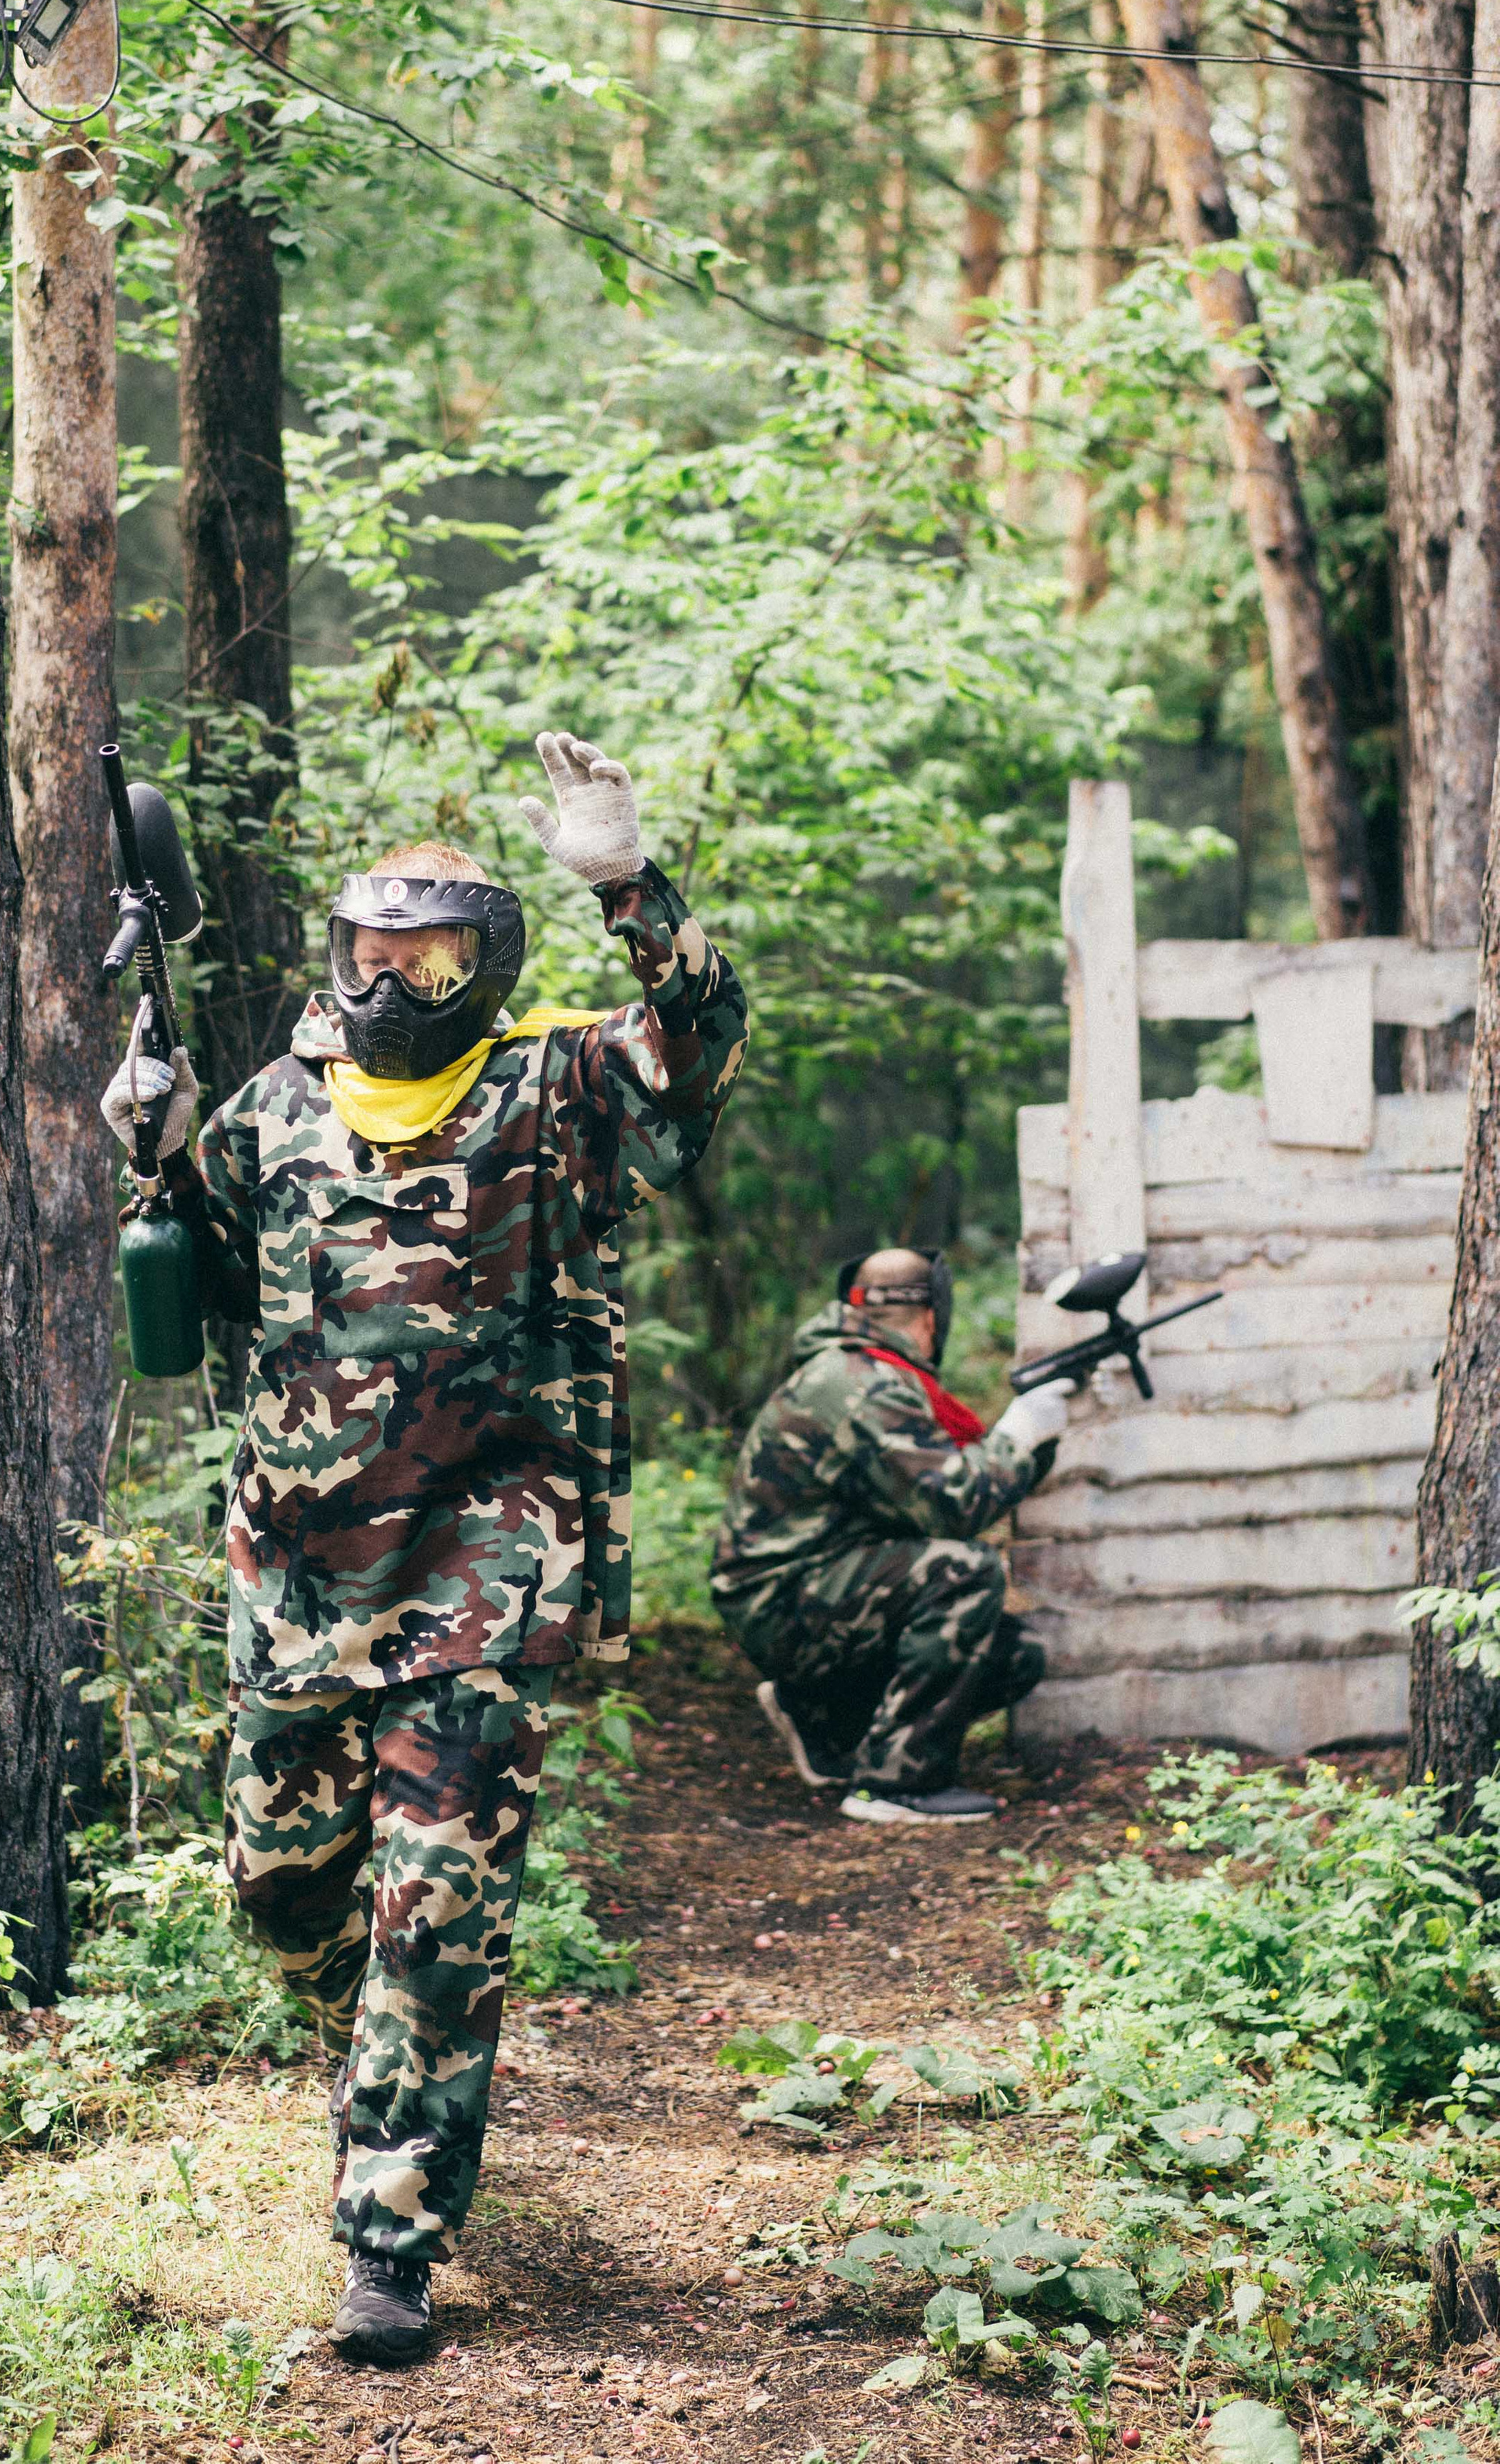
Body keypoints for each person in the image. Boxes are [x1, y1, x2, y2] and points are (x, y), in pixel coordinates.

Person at [102, 731, 747, 2365]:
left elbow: (698, 1047)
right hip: (297, 1587)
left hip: (484, 1578)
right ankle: (369, 2056)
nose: (394, 986)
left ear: (485, 964)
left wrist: (626, 879)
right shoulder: (271, 1112)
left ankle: (387, 2239)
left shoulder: (559, 1086)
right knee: (279, 1892)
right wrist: (150, 1147)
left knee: (432, 1921)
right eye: (371, 958)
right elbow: (202, 1310)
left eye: (430, 958)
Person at [709, 1247, 1070, 1823]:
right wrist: (1019, 1434)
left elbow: (930, 1498)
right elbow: (953, 1508)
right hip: (781, 1603)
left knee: (1010, 1657)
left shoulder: (862, 1370)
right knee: (964, 1570)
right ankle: (896, 1785)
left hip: (810, 1589)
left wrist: (1033, 1443)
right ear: (931, 1318)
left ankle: (823, 1718)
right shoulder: (860, 1383)